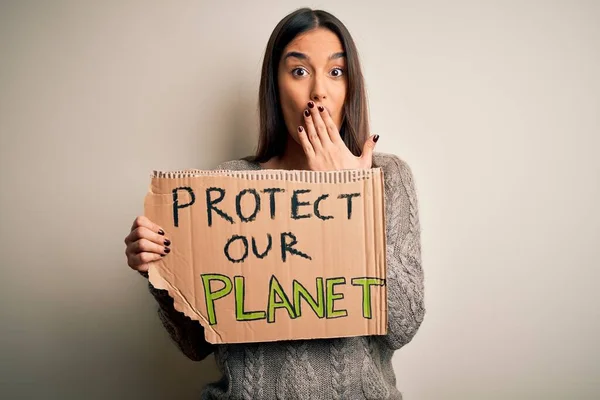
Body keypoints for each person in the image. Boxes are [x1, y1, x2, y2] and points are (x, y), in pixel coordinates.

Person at [124, 7, 425, 400]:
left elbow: (403, 323)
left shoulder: (387, 176)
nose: (319, 90)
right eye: (299, 71)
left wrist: (342, 192)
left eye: (336, 72)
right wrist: (160, 273)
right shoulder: (229, 185)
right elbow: (196, 346)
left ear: (350, 86)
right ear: (275, 84)